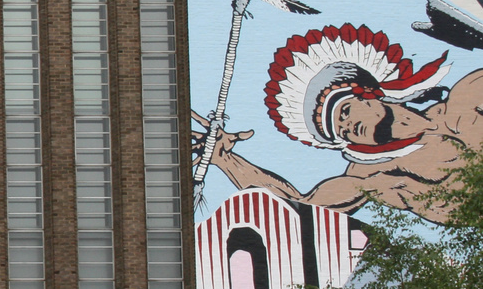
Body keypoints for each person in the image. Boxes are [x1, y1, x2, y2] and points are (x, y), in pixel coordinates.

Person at [199, 22, 483, 224]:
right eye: (338, 132)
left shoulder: (464, 101)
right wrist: (226, 160)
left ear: (368, 94)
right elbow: (298, 206)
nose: (346, 128)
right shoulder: (370, 175)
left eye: (345, 112)